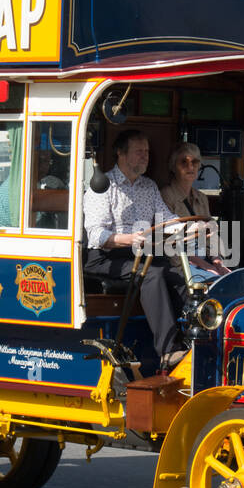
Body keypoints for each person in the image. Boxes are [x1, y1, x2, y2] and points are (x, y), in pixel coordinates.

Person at [83, 129, 189, 369]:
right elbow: (97, 235)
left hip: (140, 253)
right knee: (152, 273)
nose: (145, 156)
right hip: (104, 257)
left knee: (180, 276)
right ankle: (168, 350)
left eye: (147, 152)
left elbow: (166, 218)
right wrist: (130, 239)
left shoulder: (149, 187)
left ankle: (193, 341)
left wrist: (189, 226)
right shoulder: (102, 187)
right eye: (139, 151)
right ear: (121, 153)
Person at [160, 141, 231, 279]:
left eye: (195, 162)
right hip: (181, 265)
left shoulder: (202, 198)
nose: (190, 166)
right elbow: (169, 243)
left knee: (230, 280)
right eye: (184, 162)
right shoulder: (166, 195)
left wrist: (218, 263)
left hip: (206, 262)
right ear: (173, 166)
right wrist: (206, 266)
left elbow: (212, 235)